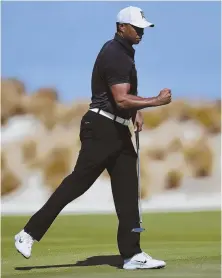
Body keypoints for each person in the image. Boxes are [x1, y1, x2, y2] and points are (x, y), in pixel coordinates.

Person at [14, 6, 171, 270]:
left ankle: (132, 255)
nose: (141, 32)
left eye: (143, 28)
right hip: (101, 128)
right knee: (77, 183)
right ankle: (28, 233)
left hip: (118, 129)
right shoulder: (115, 53)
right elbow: (120, 98)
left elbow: (122, 98)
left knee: (128, 191)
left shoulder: (124, 53)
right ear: (122, 27)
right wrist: (154, 101)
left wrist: (135, 113)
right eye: (136, 27)